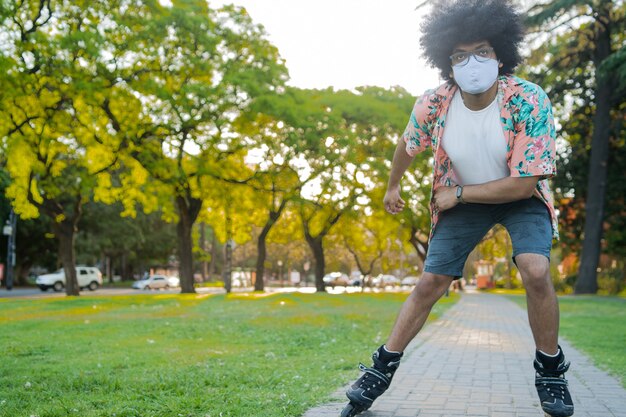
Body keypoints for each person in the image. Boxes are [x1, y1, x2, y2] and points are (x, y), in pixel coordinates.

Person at [340, 1, 574, 417]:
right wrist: (392, 185)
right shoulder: (434, 103)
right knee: (431, 281)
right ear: (446, 62)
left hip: (517, 199)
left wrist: (461, 194)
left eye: (482, 51)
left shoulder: (528, 99)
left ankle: (551, 371)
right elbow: (406, 144)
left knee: (535, 270)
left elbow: (524, 183)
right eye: (460, 55)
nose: (472, 62)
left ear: (500, 53)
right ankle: (380, 369)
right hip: (462, 199)